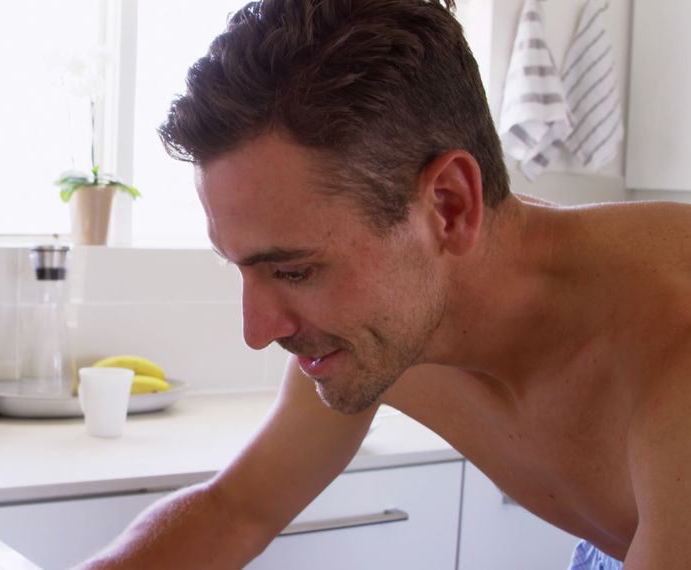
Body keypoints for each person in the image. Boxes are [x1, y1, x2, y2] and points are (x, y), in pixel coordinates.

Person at [79, 0, 691, 568]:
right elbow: (235, 511)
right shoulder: (390, 323)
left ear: (449, 205)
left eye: (294, 271)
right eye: (240, 268)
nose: (257, 332)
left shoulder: (672, 347)